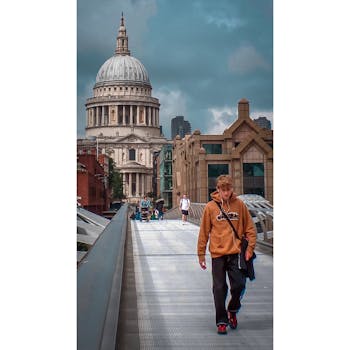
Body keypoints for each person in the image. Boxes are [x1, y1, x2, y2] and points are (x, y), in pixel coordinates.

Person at [197, 175, 256, 335]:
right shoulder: (210, 207)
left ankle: (233, 309)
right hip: (217, 254)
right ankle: (221, 321)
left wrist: (250, 249)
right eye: (223, 190)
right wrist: (201, 254)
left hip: (235, 253)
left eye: (228, 190)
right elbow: (204, 232)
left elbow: (250, 228)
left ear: (232, 189)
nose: (226, 193)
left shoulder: (240, 205)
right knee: (219, 288)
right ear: (218, 190)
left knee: (239, 285)